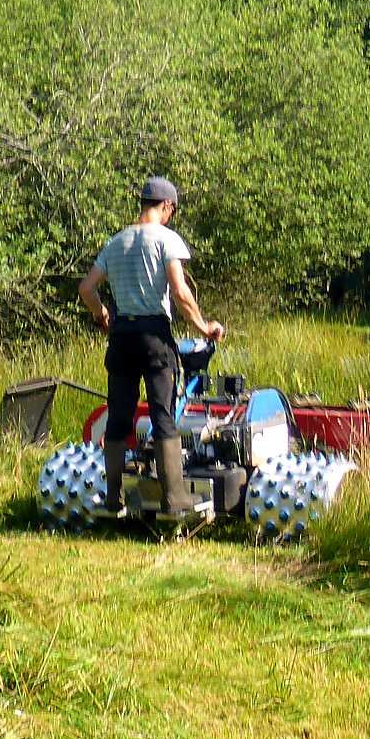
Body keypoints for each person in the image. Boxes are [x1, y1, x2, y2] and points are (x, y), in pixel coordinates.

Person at [79, 176, 225, 519]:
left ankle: (113, 498)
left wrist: (102, 315)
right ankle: (174, 499)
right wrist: (204, 327)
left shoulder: (116, 242)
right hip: (154, 336)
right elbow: (180, 293)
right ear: (167, 206)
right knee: (162, 415)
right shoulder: (165, 239)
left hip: (121, 337)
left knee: (119, 417)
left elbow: (86, 289)